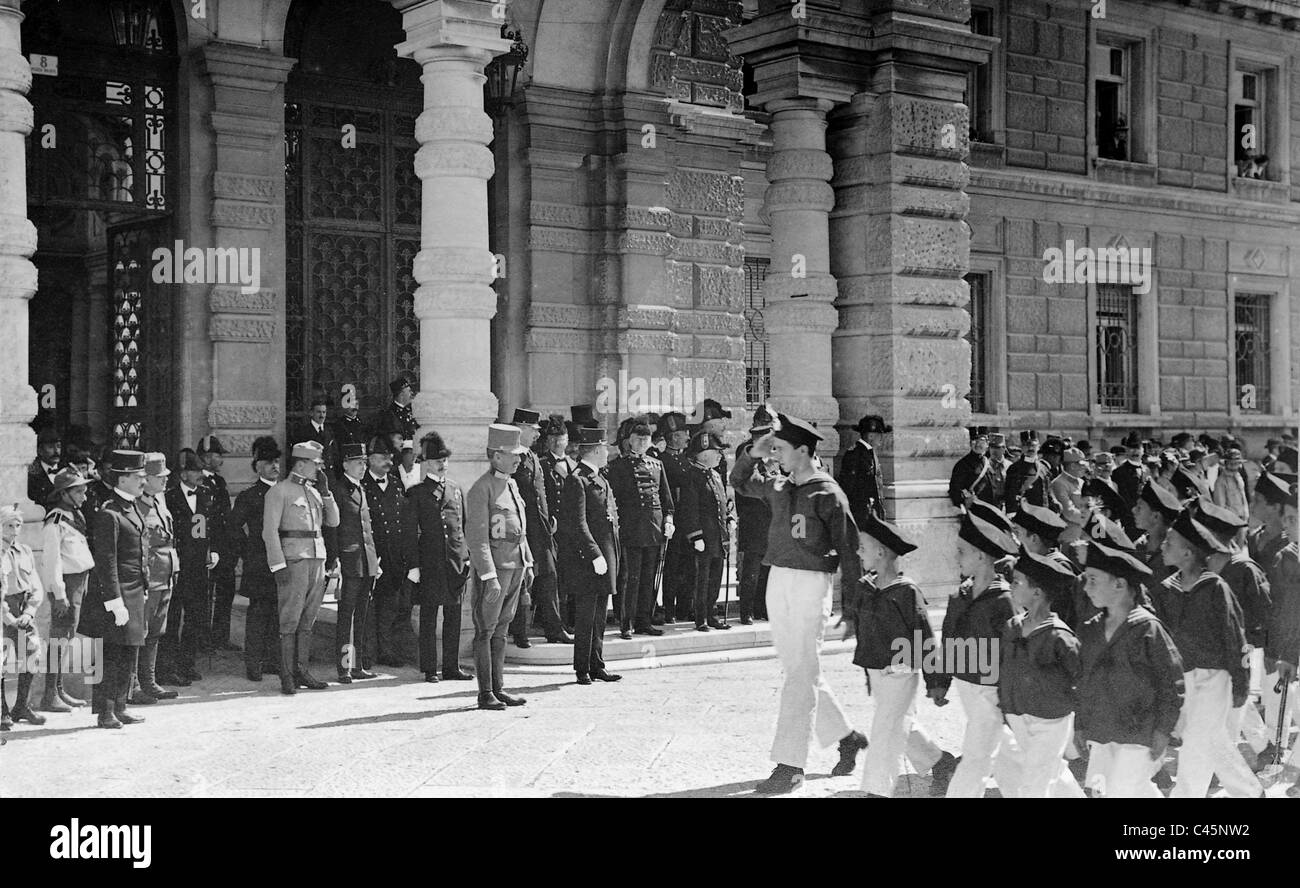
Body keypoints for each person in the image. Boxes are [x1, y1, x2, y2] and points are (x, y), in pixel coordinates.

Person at [730, 412, 871, 794]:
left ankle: (791, 764)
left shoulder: (828, 493)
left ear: (805, 451)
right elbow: (739, 482)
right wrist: (754, 453)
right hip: (779, 579)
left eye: (781, 449)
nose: (776, 456)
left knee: (800, 674)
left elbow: (850, 551)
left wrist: (854, 606)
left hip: (812, 583)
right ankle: (847, 736)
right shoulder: (778, 485)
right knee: (800, 671)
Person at [1152, 508, 1261, 798]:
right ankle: (1251, 792)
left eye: (1170, 543)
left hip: (1215, 677)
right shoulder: (1166, 590)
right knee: (1209, 740)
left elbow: (1234, 636)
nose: (1163, 546)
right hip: (1184, 678)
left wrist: (1241, 681)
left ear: (1188, 554)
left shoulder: (1215, 587)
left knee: (1199, 739)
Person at [851, 512, 955, 798]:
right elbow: (864, 628)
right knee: (899, 725)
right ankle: (941, 762)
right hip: (877, 673)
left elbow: (925, 638)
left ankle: (877, 791)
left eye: (864, 546)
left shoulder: (907, 592)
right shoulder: (866, 587)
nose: (858, 551)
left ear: (881, 553)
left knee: (885, 731)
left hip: (901, 672)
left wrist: (935, 682)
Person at [1075, 536, 1183, 797]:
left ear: (1120, 584)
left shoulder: (1148, 629)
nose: (1086, 588)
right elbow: (1083, 682)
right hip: (1103, 730)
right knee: (1114, 790)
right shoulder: (1090, 630)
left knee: (1121, 790)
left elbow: (1172, 685)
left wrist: (1162, 731)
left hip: (1140, 731)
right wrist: (1080, 725)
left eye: (1093, 580)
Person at [929, 500, 1021, 798]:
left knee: (976, 756)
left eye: (962, 551)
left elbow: (1013, 654)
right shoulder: (960, 595)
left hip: (991, 691)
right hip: (968, 688)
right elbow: (949, 640)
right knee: (1009, 757)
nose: (956, 557)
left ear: (981, 556)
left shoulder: (1004, 601)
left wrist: (1010, 700)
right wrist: (941, 682)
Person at [1192, 497, 1274, 765]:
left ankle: (1221, 766)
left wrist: (1250, 644)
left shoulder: (1244, 568)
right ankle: (1263, 747)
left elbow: (1263, 611)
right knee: (1237, 701)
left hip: (1246, 647)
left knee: (1232, 709)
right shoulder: (1211, 568)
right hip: (1221, 647)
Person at [999, 547, 1085, 798]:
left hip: (1051, 720)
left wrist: (1081, 723)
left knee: (1034, 785)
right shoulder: (1013, 627)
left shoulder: (1060, 636)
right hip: (1019, 715)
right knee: (1052, 774)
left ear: (1036, 592)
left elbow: (1079, 679)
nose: (1010, 586)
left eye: (1016, 582)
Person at [77, 451, 151, 729]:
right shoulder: (109, 513)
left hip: (133, 591)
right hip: (116, 594)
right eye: (139, 476)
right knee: (110, 653)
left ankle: (121, 705)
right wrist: (114, 601)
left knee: (129, 650)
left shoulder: (132, 507)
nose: (143, 481)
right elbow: (106, 562)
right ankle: (105, 711)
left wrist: (142, 586)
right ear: (122, 478)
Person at [465, 424, 534, 710]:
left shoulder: (512, 484)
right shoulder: (482, 488)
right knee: (486, 629)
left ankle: (498, 687)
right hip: (495, 570)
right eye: (511, 454)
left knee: (502, 629)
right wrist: (489, 575)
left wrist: (527, 561)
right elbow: (477, 536)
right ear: (495, 455)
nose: (518, 459)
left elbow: (520, 529)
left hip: (515, 565)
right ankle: (485, 693)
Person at [263, 441, 340, 695]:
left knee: (308, 619)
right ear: (301, 463)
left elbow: (333, 521)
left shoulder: (315, 492)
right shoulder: (279, 491)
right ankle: (287, 675)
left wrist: (327, 493)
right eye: (315, 464)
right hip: (294, 559)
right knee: (290, 619)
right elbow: (269, 532)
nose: (319, 468)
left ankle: (302, 671)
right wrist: (277, 564)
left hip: (316, 558)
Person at [405, 431, 472, 683]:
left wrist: (465, 556)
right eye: (436, 461)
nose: (442, 464)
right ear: (426, 464)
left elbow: (461, 527)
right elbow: (410, 533)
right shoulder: (417, 493)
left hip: (454, 561)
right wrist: (413, 564)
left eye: (444, 460)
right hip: (430, 561)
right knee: (429, 616)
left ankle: (452, 666)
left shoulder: (455, 489)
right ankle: (430, 667)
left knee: (453, 614)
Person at [560, 425, 623, 686]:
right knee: (586, 616)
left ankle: (597, 663)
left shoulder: (600, 478)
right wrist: (595, 553)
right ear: (596, 450)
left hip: (606, 555)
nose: (608, 452)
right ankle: (582, 668)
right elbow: (578, 523)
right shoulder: (578, 480)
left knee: (599, 614)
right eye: (605, 448)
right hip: (589, 560)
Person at [606, 416, 674, 638]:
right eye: (638, 438)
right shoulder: (618, 466)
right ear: (630, 441)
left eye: (646, 439)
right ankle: (627, 623)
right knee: (630, 578)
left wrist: (669, 520)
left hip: (653, 529)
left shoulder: (657, 464)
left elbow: (666, 498)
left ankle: (644, 620)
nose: (642, 442)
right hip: (631, 528)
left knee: (649, 577)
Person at [509, 408, 570, 646]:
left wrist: (549, 517)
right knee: (523, 580)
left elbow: (541, 492)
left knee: (548, 576)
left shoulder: (533, 457)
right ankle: (520, 631)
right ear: (521, 428)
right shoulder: (512, 456)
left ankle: (554, 629)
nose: (537, 434)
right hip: (522, 528)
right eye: (533, 430)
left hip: (541, 528)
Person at [158, 450, 217, 686]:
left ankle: (187, 663)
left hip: (197, 567)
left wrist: (209, 551)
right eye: (195, 471)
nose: (200, 474)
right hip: (176, 566)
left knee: (195, 616)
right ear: (183, 474)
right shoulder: (169, 498)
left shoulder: (204, 495)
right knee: (172, 617)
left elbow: (202, 529)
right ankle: (167, 666)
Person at [38, 469, 94, 711]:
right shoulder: (56, 521)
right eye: (79, 491)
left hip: (78, 581)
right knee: (59, 638)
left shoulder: (74, 515)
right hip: (66, 585)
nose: (84, 495)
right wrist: (60, 595)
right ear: (64, 494)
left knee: (67, 638)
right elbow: (52, 562)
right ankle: (50, 695)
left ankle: (59, 690)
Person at [1252, 470, 1299, 748]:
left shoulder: (1287, 548)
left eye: (1258, 500)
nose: (1252, 505)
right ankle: (1275, 743)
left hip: (1283, 628)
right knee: (1272, 687)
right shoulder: (1256, 538)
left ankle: (1276, 744)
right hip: (1267, 624)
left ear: (1275, 507)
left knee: (1279, 687)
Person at [326, 442, 380, 685]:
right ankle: (344, 667)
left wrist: (374, 560)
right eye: (358, 462)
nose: (363, 467)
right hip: (349, 561)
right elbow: (333, 528)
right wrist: (334, 558)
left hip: (366, 560)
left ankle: (357, 665)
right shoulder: (339, 490)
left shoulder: (361, 489)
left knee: (362, 615)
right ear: (346, 464)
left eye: (364, 462)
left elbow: (367, 529)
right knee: (346, 615)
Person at [230, 436, 282, 682]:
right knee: (259, 616)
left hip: (283, 563)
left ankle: (274, 660)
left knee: (278, 615)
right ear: (258, 466)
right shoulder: (249, 496)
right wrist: (248, 551)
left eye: (277, 462)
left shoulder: (285, 492)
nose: (275, 467)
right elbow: (233, 527)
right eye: (269, 462)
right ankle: (254, 664)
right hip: (260, 564)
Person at [131, 453, 180, 705]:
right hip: (149, 577)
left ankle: (149, 681)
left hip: (166, 574)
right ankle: (134, 685)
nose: (164, 481)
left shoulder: (159, 501)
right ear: (145, 478)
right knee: (140, 631)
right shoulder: (136, 504)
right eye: (159, 477)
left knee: (156, 631)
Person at [365, 437, 415, 667]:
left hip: (396, 555)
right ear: (370, 460)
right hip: (374, 555)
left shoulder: (395, 483)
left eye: (390, 457)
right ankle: (370, 652)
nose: (388, 461)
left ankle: (389, 651)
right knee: (372, 607)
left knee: (394, 606)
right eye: (382, 457)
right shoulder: (364, 485)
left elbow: (404, 518)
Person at [678, 430, 731, 632]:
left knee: (716, 577)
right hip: (703, 537)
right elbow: (689, 509)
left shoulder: (715, 475)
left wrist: (730, 518)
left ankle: (712, 613)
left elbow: (722, 502)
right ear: (704, 453)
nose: (720, 456)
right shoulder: (692, 476)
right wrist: (696, 535)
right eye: (716, 451)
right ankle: (701, 618)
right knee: (702, 579)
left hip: (718, 535)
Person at [1, 504, 47, 727]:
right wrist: (8, 617)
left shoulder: (25, 551)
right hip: (4, 610)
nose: (14, 530)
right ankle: (2, 710)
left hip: (23, 608)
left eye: (18, 525)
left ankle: (22, 705)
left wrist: (29, 611)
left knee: (31, 655)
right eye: (9, 525)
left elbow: (36, 585)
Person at [197, 435, 238, 653]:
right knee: (204, 596)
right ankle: (203, 641)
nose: (221, 459)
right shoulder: (197, 482)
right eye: (217, 455)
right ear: (205, 457)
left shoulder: (219, 482)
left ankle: (220, 637)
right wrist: (206, 548)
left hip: (224, 548)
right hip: (207, 548)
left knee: (225, 592)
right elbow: (201, 519)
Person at [734, 410, 775, 624]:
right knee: (751, 568)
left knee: (768, 567)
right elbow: (744, 482)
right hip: (753, 516)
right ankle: (747, 610)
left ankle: (763, 607)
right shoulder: (747, 450)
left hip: (772, 519)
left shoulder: (776, 452)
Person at [538, 415, 576, 631]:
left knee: (569, 575)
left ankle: (570, 620)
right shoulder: (542, 465)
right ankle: (555, 622)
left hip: (570, 529)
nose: (556, 442)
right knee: (554, 578)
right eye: (552, 438)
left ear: (567, 439)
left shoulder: (573, 464)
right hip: (552, 530)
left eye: (560, 438)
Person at [657, 411, 694, 623]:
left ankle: (684, 607)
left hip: (688, 520)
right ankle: (669, 609)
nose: (688, 437)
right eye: (683, 433)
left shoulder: (685, 459)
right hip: (672, 520)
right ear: (673, 437)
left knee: (688, 566)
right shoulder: (662, 460)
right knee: (672, 566)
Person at [837, 414, 889, 524]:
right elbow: (848, 486)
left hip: (871, 513)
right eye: (879, 435)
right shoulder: (855, 454)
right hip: (861, 514)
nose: (881, 438)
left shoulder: (869, 453)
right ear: (870, 436)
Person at [291, 397, 338, 481]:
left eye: (324, 412)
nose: (322, 415)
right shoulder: (303, 432)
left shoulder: (329, 430)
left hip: (329, 475)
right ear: (311, 413)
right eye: (318, 412)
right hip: (312, 475)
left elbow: (335, 453)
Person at [1050, 447, 1089, 543]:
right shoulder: (1058, 483)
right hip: (1070, 537)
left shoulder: (1082, 482)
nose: (1084, 467)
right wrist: (1089, 520)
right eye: (1081, 465)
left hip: (1086, 535)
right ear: (1072, 466)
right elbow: (1069, 512)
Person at [947, 426, 989, 510]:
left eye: (981, 441)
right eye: (974, 441)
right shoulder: (962, 464)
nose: (977, 444)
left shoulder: (990, 462)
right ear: (970, 443)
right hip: (975, 510)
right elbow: (955, 489)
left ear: (987, 444)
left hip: (991, 508)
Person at [374, 376, 420, 448]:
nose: (412, 393)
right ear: (401, 394)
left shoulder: (413, 412)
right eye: (409, 391)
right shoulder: (388, 415)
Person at [28, 426, 64, 508]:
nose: (56, 451)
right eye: (51, 447)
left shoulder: (67, 469)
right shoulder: (31, 475)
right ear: (40, 451)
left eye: (58, 446)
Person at [1112, 431, 1148, 508]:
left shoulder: (1147, 470)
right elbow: (1122, 497)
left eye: (1137, 448)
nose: (1134, 451)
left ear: (1142, 450)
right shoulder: (1118, 472)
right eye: (1131, 448)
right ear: (1126, 450)